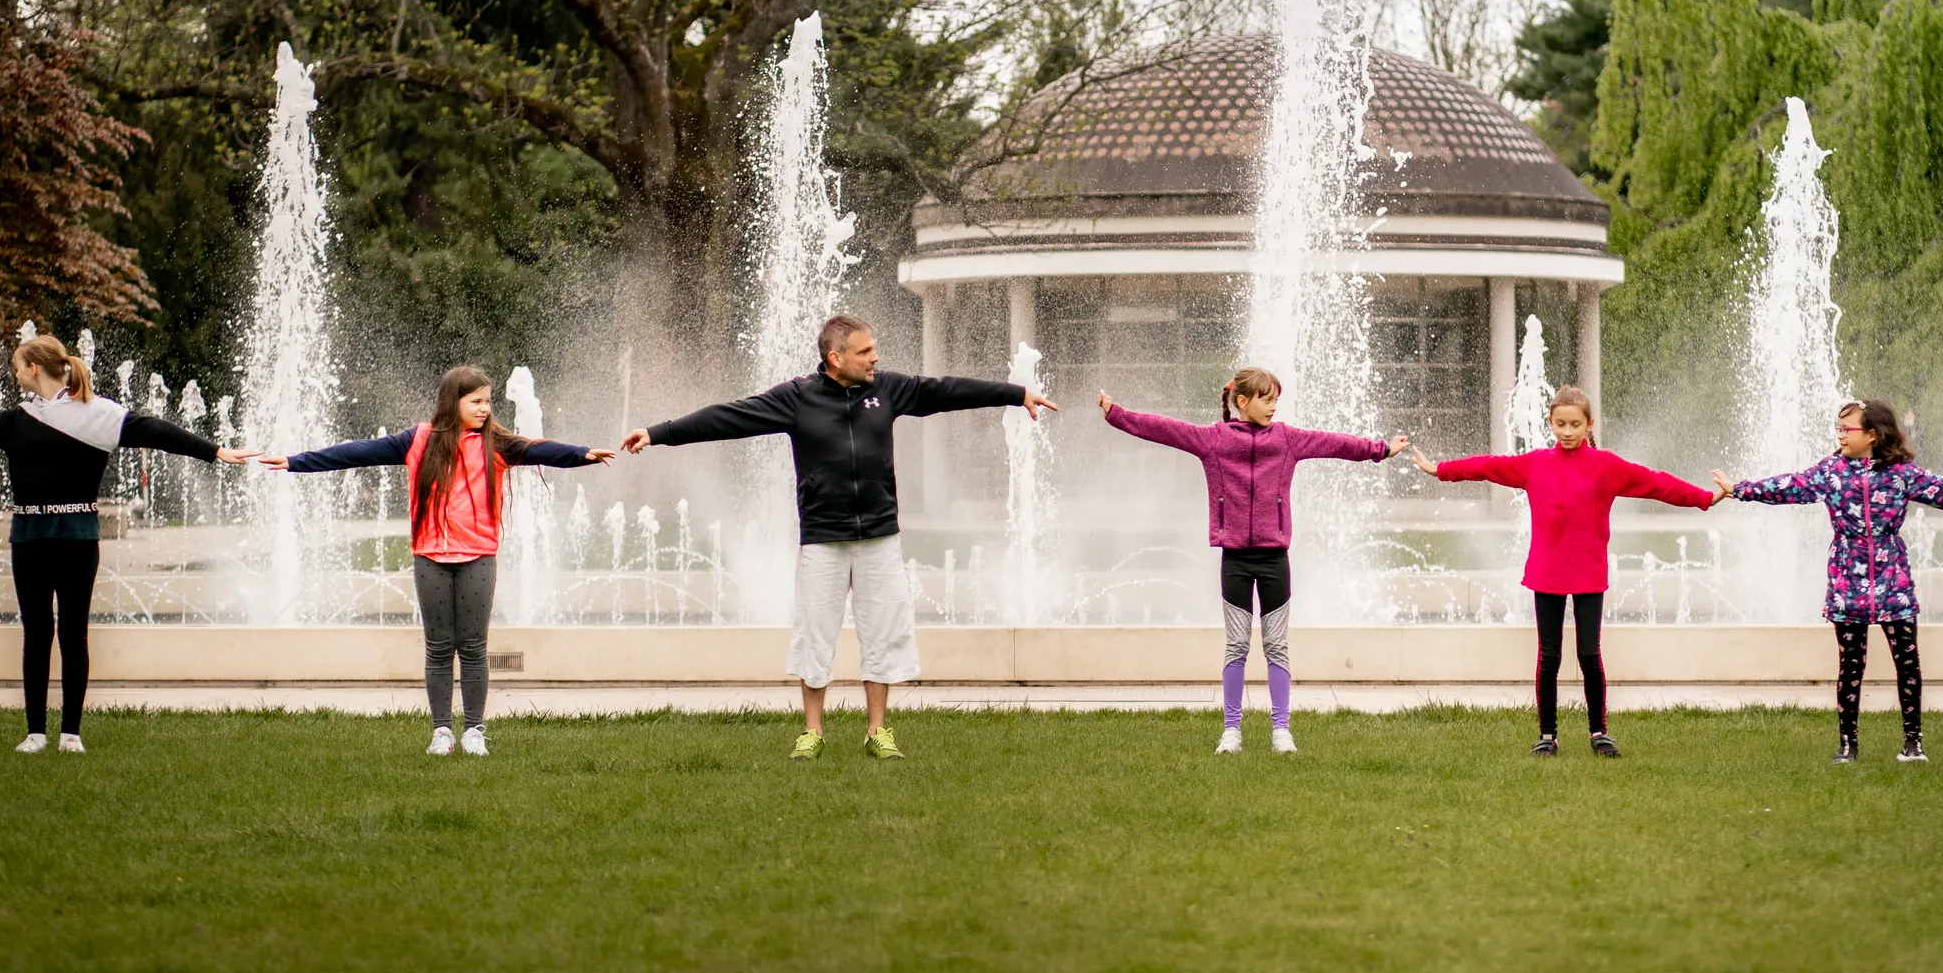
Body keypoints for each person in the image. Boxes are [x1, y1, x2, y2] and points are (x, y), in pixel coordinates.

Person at [622, 314, 1052, 761]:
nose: (875, 358)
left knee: (882, 632)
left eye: (874, 349)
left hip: (879, 537)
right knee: (815, 634)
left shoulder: (887, 389)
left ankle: (878, 730)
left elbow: (944, 391)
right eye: (865, 351)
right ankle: (812, 731)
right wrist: (658, 433)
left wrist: (1016, 394)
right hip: (823, 539)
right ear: (835, 357)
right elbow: (730, 417)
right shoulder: (798, 398)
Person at [0, 333, 260, 753]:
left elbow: (156, 432)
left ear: (33, 368)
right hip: (28, 538)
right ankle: (34, 734)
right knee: (36, 634)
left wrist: (214, 452)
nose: (13, 373)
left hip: (78, 537)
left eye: (16, 366)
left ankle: (71, 734)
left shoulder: (98, 414)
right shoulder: (17, 420)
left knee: (73, 634)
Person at [262, 365, 611, 756]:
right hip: (431, 557)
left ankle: (475, 731)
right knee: (440, 647)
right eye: (475, 401)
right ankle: (442, 732)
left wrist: (582, 454)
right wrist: (296, 461)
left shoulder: (494, 443)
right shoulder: (418, 440)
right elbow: (355, 452)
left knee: (474, 646)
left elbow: (539, 449)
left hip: (478, 556)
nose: (484, 409)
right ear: (453, 401)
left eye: (488, 402)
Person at [1099, 370, 1401, 754]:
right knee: (1237, 646)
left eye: (1276, 399)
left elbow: (1334, 444)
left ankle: (1281, 731)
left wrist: (1380, 450)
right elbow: (1162, 429)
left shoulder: (1288, 440)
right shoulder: (1213, 440)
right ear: (1242, 402)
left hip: (1275, 560)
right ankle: (1231, 731)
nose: (1274, 407)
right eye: (1266, 399)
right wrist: (1115, 413)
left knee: (1276, 646)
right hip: (1235, 561)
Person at [1714, 398, 1943, 764]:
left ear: (1873, 435)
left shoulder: (1901, 473)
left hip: (1893, 581)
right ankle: (1848, 745)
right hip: (1848, 582)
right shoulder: (1830, 472)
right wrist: (1739, 489)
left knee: (1907, 663)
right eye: (1839, 429)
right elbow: (1788, 486)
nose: (1841, 435)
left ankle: (1913, 744)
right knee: (1850, 665)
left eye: (1848, 429)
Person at [1410, 385, 1714, 757]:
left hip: (1588, 574)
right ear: (1551, 424)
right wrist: (1439, 469)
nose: (1567, 432)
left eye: (1574, 424)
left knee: (1589, 654)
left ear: (1589, 425)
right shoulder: (1535, 464)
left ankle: (1598, 733)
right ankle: (1548, 736)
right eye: (1560, 424)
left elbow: (1655, 483)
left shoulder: (1607, 467)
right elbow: (1488, 466)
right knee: (1549, 657)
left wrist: (1702, 498)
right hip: (1547, 573)